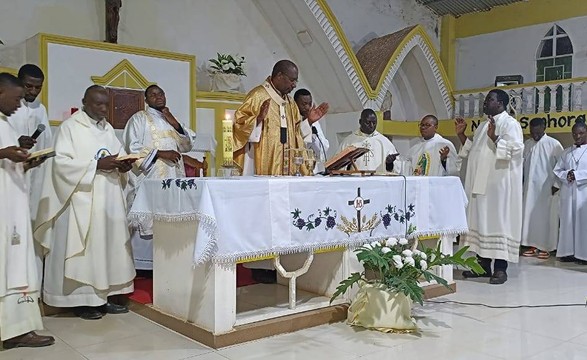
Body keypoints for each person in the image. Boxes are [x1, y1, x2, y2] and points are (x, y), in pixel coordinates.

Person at [34, 85, 136, 320]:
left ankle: (104, 297)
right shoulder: (70, 127)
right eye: (97, 104)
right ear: (84, 102)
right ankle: (82, 301)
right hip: (81, 198)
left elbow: (117, 153)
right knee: (85, 250)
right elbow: (60, 164)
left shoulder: (107, 129)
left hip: (107, 197)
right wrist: (96, 165)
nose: (102, 109)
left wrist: (123, 165)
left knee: (106, 247)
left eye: (105, 105)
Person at [0, 73, 54, 348]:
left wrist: (25, 162)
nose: (20, 105)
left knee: (15, 264)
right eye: (16, 98)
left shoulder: (4, 124)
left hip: (13, 203)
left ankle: (16, 330)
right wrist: (4, 154)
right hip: (3, 209)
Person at [456, 89, 523, 285]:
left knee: (498, 223)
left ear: (501, 103)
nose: (485, 103)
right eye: (485, 100)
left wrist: (495, 138)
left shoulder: (511, 124)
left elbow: (516, 150)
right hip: (480, 184)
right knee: (480, 223)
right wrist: (461, 136)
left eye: (490, 100)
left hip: (499, 188)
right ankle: (482, 266)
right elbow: (473, 150)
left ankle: (501, 269)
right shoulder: (483, 126)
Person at [123, 84, 193, 270]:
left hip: (173, 175)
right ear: (146, 100)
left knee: (170, 217)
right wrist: (160, 153)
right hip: (150, 176)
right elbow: (133, 148)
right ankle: (144, 265)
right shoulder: (138, 119)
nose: (158, 97)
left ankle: (168, 260)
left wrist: (175, 124)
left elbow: (186, 146)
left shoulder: (171, 120)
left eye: (160, 93)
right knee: (149, 216)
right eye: (153, 95)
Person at [233, 60, 329, 176]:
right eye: (292, 80)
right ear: (279, 76)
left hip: (289, 168)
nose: (294, 85)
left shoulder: (291, 103)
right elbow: (239, 125)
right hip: (262, 162)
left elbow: (296, 135)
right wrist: (257, 120)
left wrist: (309, 121)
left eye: (296, 81)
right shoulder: (258, 96)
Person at [7, 64, 52, 224]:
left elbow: (47, 141)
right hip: (9, 172)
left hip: (35, 172)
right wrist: (17, 142)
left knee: (31, 220)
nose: (33, 91)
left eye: (38, 87)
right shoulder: (7, 107)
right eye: (29, 86)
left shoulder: (41, 109)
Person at [521, 118, 563, 260]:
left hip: (547, 189)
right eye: (532, 132)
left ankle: (546, 247)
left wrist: (556, 185)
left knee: (546, 219)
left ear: (544, 128)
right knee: (530, 217)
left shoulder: (554, 144)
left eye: (537, 132)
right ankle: (532, 245)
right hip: (529, 189)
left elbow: (561, 166)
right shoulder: (527, 144)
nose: (535, 135)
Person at [554, 120, 587, 265]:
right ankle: (568, 253)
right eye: (574, 134)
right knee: (568, 221)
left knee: (583, 223)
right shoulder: (566, 152)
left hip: (584, 193)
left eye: (581, 133)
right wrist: (567, 174)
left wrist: (577, 175)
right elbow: (557, 170)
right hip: (568, 192)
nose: (577, 136)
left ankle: (584, 255)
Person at [294, 88, 329, 174]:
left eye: (309, 104)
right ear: (295, 104)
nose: (307, 107)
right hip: (296, 168)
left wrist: (312, 134)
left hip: (311, 168)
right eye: (304, 104)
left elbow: (322, 149)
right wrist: (307, 123)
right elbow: (295, 141)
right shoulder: (292, 119)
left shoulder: (314, 121)